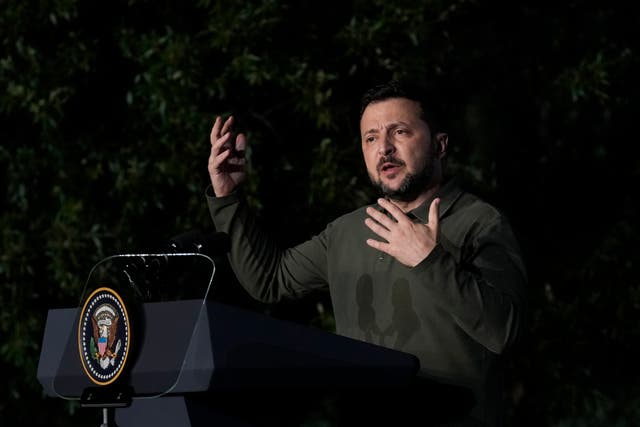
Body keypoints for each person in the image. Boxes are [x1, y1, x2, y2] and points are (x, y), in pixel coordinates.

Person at [205, 80, 527, 426]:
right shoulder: (348, 231)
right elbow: (269, 281)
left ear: (440, 144)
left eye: (399, 132)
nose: (384, 148)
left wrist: (429, 260)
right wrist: (228, 199)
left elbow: (502, 332)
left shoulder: (479, 222)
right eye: (371, 138)